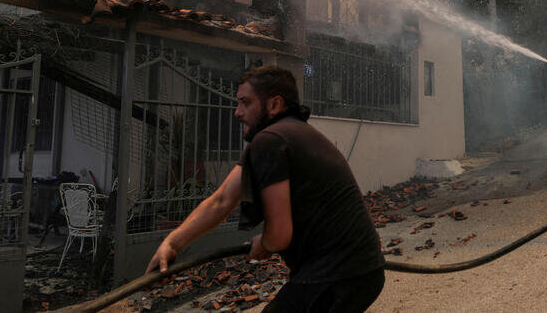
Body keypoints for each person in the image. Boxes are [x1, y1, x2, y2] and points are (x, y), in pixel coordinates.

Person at [146, 66, 385, 311]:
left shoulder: (271, 140)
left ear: (274, 104)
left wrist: (265, 243)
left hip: (338, 273)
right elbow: (222, 200)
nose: (237, 112)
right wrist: (172, 243)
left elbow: (279, 235)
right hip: (360, 269)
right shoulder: (286, 134)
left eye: (245, 102)